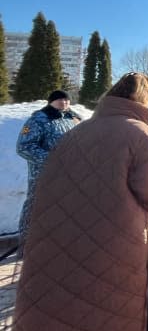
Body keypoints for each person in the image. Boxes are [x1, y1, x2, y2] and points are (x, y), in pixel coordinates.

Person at [8, 73, 148, 331]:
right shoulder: (140, 134)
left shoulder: (78, 128)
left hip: (61, 239)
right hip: (113, 243)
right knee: (98, 319)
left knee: (60, 321)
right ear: (143, 98)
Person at [15, 89, 81, 249]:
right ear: (51, 101)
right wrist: (52, 160)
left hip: (69, 175)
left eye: (66, 100)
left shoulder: (75, 118)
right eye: (59, 100)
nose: (64, 103)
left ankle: (58, 244)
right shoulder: (38, 120)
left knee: (65, 208)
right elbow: (24, 147)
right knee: (36, 207)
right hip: (44, 175)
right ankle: (26, 245)